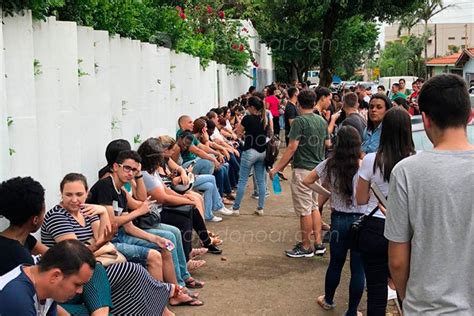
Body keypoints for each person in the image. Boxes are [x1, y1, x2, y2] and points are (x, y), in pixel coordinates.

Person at [385, 74, 474, 315]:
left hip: (425, 308)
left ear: (425, 120)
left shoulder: (406, 172)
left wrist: (408, 300)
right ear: (470, 116)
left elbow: (397, 260)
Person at [41, 173, 189, 314]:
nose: (74, 199)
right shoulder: (57, 216)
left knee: (135, 273)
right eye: (69, 195)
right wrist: (100, 246)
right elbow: (74, 255)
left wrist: (103, 213)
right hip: (72, 276)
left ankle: (160, 308)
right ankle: (166, 298)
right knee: (132, 270)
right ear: (61, 194)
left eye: (79, 194)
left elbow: (104, 239)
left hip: (93, 265)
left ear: (87, 193)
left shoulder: (87, 211)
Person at [0, 176, 113, 316]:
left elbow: (64, 256)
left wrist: (97, 244)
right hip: (54, 295)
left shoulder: (25, 240)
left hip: (53, 293)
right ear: (35, 219)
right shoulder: (18, 261)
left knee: (97, 268)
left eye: (79, 194)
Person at [356, 107, 415, 315]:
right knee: (407, 290)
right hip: (407, 233)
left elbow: (361, 199)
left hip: (374, 227)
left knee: (375, 291)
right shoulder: (416, 160)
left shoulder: (371, 159)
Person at [304, 126, 366, 316]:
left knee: (336, 264)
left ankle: (329, 300)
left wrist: (328, 194)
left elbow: (306, 181)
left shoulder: (329, 164)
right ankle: (352, 311)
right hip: (361, 221)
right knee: (358, 269)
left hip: (338, 219)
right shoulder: (364, 165)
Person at [270, 89, 330, 257]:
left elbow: (291, 147)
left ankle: (305, 246)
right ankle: (318, 243)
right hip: (317, 171)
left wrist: (277, 168)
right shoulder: (321, 121)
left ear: (298, 104)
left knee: (304, 210)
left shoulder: (299, 122)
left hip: (303, 170)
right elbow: (328, 143)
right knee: (313, 207)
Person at [0, 240, 95, 316]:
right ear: (55, 276)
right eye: (77, 284)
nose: (80, 291)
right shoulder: (17, 297)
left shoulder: (47, 287)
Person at [231, 96, 268, 216]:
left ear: (252, 107)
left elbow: (238, 133)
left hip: (249, 151)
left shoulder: (247, 118)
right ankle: (260, 208)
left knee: (242, 180)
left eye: (248, 106)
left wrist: (245, 133)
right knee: (261, 180)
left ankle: (236, 208)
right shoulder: (264, 118)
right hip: (262, 152)